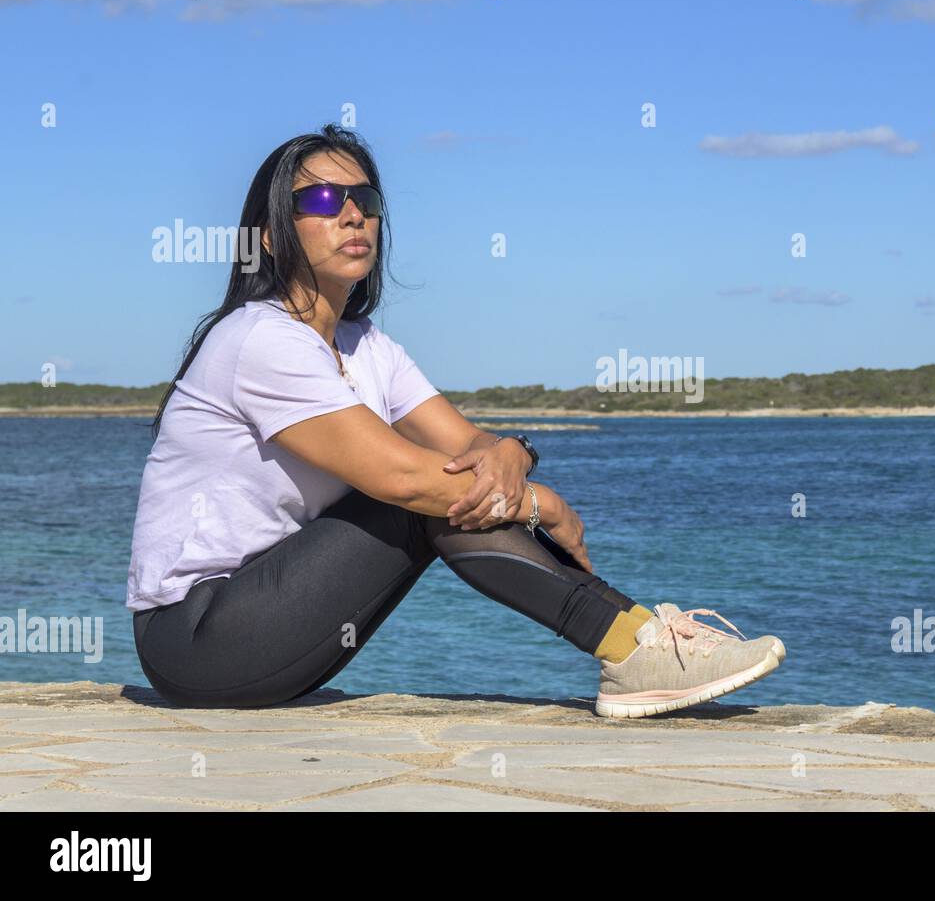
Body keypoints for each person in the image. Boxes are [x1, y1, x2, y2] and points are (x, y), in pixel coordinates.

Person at [126, 124, 785, 717]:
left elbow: (468, 443)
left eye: (367, 202)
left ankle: (640, 644)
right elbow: (408, 481)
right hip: (196, 639)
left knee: (443, 481)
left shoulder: (366, 346)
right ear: (270, 237)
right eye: (324, 201)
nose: (353, 215)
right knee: (417, 496)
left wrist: (514, 452)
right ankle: (634, 647)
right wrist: (537, 502)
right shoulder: (260, 340)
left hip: (276, 631)